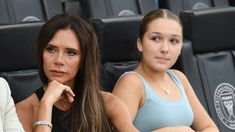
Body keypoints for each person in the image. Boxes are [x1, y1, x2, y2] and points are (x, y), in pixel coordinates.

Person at [15, 14, 138, 132]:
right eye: (51, 49)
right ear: (41, 53)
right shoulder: (24, 110)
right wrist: (46, 104)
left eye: (70, 52)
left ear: (84, 59)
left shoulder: (108, 103)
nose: (58, 60)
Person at [112, 9, 219, 132]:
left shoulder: (179, 78)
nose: (165, 49)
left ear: (180, 49)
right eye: (156, 39)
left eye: (173, 41)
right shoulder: (132, 83)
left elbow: (210, 128)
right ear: (140, 43)